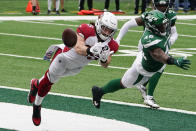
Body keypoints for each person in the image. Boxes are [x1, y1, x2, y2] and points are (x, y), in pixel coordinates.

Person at [27, 12, 119, 126]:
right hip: (63, 58)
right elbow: (78, 48)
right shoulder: (87, 29)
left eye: (110, 30)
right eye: (105, 28)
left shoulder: (112, 44)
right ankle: (37, 105)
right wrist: (90, 50)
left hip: (77, 67)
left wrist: (104, 59)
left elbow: (105, 64)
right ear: (99, 24)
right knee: (49, 81)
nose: (106, 32)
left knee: (50, 80)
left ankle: (36, 83)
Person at [92, 10, 191, 110]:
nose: (164, 26)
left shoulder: (158, 25)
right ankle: (99, 91)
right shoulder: (150, 39)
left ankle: (148, 95)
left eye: (164, 24)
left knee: (160, 68)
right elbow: (160, 55)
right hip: (143, 68)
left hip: (149, 61)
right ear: (153, 27)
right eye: (161, 25)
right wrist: (174, 61)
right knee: (124, 83)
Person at [115, 0, 179, 108]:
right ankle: (148, 96)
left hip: (161, 44)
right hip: (149, 44)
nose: (161, 9)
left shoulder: (171, 15)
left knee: (155, 68)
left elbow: (174, 32)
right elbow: (128, 24)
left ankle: (143, 87)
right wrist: (118, 39)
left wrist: (171, 40)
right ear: (154, 5)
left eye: (163, 6)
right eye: (158, 6)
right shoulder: (149, 16)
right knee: (157, 67)